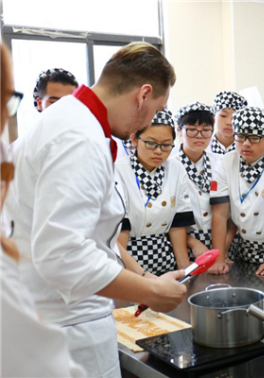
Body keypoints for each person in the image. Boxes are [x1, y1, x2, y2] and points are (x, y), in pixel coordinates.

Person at [6, 42, 187, 377]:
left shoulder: (68, 119)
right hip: (66, 326)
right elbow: (62, 255)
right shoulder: (80, 138)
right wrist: (151, 291)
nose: (145, 123)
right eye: (153, 110)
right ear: (143, 95)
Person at [1, 42, 85, 378]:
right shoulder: (19, 152)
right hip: (38, 291)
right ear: (38, 104)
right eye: (55, 102)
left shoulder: (83, 151)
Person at [208, 107, 264, 274]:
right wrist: (219, 257)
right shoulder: (226, 162)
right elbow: (220, 214)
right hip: (241, 251)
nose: (246, 144)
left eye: (254, 138)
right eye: (240, 137)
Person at [116, 110, 195, 275]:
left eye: (166, 145)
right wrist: (136, 276)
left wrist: (184, 270)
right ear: (134, 139)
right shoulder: (119, 170)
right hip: (129, 262)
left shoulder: (176, 168)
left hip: (165, 259)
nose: (158, 151)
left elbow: (178, 223)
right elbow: (120, 230)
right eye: (151, 143)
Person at [172, 102, 223, 259]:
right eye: (192, 130)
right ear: (180, 131)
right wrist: (192, 242)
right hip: (183, 246)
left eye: (206, 130)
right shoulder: (170, 166)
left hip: (220, 244)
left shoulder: (221, 162)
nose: (199, 136)